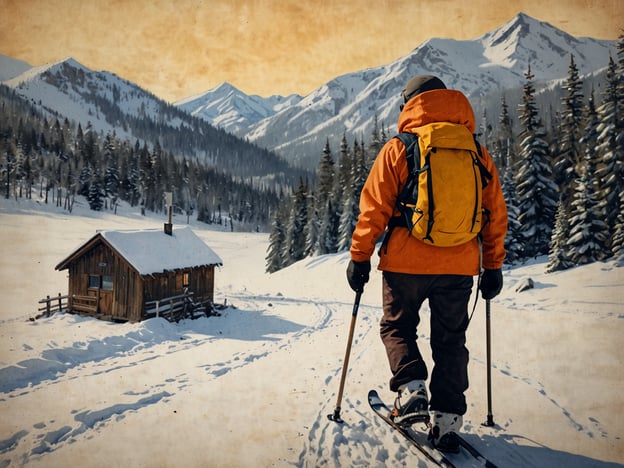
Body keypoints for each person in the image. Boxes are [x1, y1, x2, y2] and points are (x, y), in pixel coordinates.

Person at [346, 75, 507, 453]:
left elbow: (373, 210)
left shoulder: (399, 147)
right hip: (459, 266)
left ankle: (411, 388)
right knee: (451, 340)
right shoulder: (476, 152)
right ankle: (448, 417)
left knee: (398, 326)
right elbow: (494, 213)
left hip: (405, 262)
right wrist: (493, 265)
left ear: (410, 103)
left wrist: (359, 257)